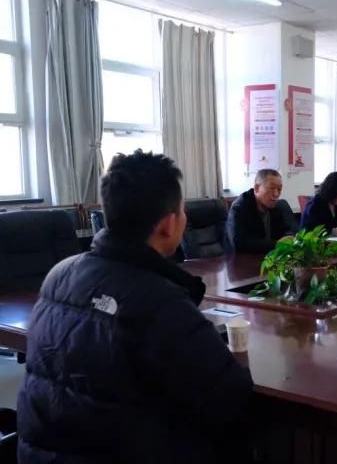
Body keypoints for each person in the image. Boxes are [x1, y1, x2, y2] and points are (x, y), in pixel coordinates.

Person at [17, 151, 254, 463]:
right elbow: (232, 399)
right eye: (183, 211)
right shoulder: (160, 302)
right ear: (168, 224)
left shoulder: (58, 274)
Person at [227, 169, 298, 254]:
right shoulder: (240, 207)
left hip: (273, 257)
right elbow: (239, 243)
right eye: (271, 188)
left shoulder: (280, 205)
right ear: (257, 188)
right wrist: (277, 244)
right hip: (244, 259)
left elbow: (292, 229)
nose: (276, 194)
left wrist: (288, 237)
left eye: (279, 189)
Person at [300, 171, 337, 236]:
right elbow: (312, 230)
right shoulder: (315, 204)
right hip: (311, 241)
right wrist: (332, 232)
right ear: (333, 191)